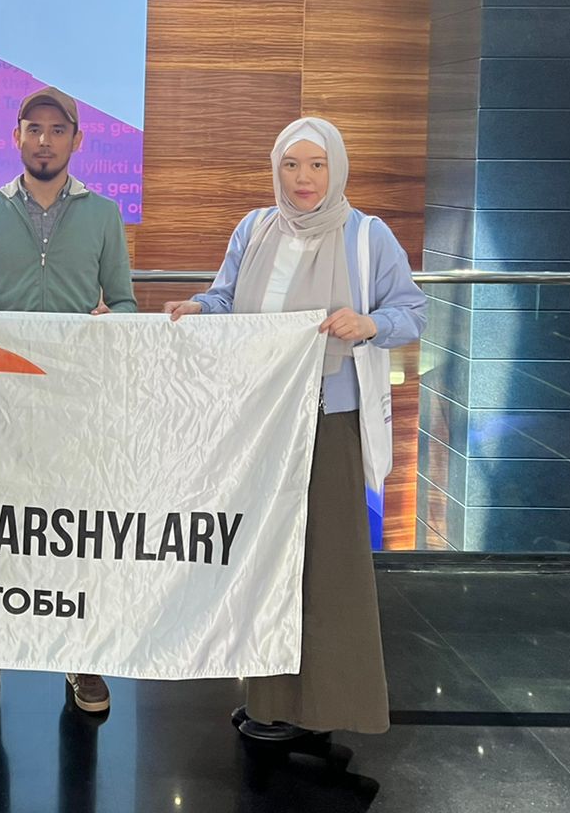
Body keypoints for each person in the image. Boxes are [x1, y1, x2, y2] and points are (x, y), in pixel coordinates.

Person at [164, 116, 425, 744]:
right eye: (290, 164)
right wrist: (199, 306)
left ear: (336, 168)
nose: (303, 178)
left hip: (330, 420)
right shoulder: (256, 229)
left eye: (316, 164)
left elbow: (411, 311)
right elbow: (228, 299)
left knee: (328, 563)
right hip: (260, 422)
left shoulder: (367, 235)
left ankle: (327, 706)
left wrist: (370, 325)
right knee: (263, 560)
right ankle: (270, 702)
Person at [0, 84, 136, 717]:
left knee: (74, 526)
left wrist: (112, 321)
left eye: (58, 130)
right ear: (17, 136)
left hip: (76, 399)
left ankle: (81, 655)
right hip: (2, 398)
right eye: (34, 128)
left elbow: (125, 301)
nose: (45, 140)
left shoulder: (103, 214)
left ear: (76, 141)